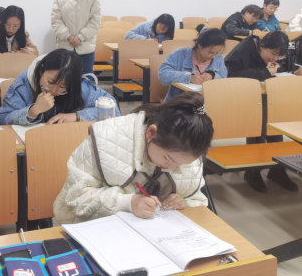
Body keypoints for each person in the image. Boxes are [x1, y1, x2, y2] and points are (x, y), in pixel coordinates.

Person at [53, 93, 212, 224]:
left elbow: (197, 200)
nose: (173, 168)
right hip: (98, 230)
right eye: (168, 158)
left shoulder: (189, 149)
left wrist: (183, 203)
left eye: (182, 164)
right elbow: (76, 199)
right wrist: (127, 203)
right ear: (151, 133)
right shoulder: (106, 139)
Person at [224, 31, 297, 193]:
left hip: (266, 95)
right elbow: (231, 76)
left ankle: (278, 169)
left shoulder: (271, 53)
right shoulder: (244, 49)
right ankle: (253, 171)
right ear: (262, 46)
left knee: (275, 122)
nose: (275, 58)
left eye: (279, 56)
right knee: (259, 122)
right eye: (273, 54)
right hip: (241, 98)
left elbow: (279, 71)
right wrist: (265, 72)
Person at [0, 49, 119, 125]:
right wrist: (33, 111)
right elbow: (3, 119)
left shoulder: (80, 86)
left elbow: (114, 111)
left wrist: (78, 116)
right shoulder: (23, 84)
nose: (54, 90)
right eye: (50, 82)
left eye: (63, 86)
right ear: (41, 70)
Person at [51, 0, 102, 75]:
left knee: (85, 81)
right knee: (63, 81)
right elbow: (56, 21)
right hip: (64, 48)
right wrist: (68, 37)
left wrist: (80, 37)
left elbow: (95, 21)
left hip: (86, 48)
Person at [158, 25, 227, 101]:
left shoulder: (218, 59)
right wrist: (189, 78)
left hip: (207, 103)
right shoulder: (180, 54)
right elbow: (162, 75)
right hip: (179, 103)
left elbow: (224, 81)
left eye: (217, 53)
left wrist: (212, 76)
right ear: (200, 46)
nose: (213, 56)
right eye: (210, 53)